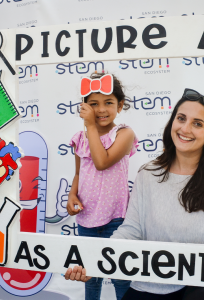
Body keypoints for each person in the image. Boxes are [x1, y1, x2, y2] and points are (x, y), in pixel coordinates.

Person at [65, 88, 204, 300]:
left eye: (197, 123)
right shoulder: (148, 174)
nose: (185, 128)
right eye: (181, 118)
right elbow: (131, 231)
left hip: (203, 288)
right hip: (150, 287)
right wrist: (94, 263)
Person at [66, 73, 138, 300]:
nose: (101, 110)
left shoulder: (124, 134)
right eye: (94, 104)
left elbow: (101, 162)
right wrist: (72, 195)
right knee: (90, 278)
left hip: (116, 220)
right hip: (86, 219)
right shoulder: (80, 137)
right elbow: (79, 173)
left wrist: (90, 126)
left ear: (120, 105)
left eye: (108, 103)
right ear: (85, 106)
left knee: (120, 277)